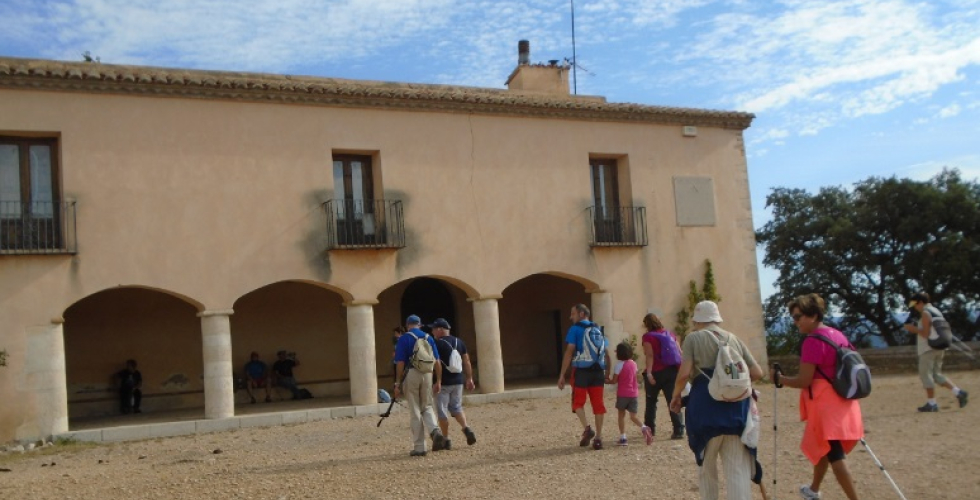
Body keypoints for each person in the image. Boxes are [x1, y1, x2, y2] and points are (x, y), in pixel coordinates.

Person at [669, 301, 763, 500]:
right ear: (717, 318)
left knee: (707, 468)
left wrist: (676, 396)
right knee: (737, 468)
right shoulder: (734, 339)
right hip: (737, 409)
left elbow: (684, 374)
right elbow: (756, 372)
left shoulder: (693, 338)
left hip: (706, 408)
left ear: (697, 320)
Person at [772, 293, 863, 500]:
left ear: (812, 316)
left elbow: (805, 380)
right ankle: (813, 490)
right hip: (845, 400)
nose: (795, 322)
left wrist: (780, 379)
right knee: (826, 447)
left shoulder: (812, 341)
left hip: (825, 404)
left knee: (835, 454)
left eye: (798, 317)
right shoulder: (838, 335)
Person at [557, 303, 611, 450]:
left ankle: (587, 428)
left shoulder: (575, 329)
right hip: (598, 371)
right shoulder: (598, 329)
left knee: (577, 403)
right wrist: (607, 373)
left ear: (581, 314)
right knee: (598, 404)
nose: (570, 317)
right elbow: (606, 353)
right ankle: (599, 438)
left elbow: (569, 352)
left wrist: (562, 374)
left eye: (573, 314)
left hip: (582, 371)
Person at [904, 292, 969, 412]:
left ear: (921, 302)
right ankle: (958, 392)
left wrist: (912, 329)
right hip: (940, 347)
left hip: (928, 349)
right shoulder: (936, 311)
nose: (915, 307)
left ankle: (932, 403)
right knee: (937, 375)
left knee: (926, 375)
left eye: (916, 304)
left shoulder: (925, 313)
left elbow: (925, 333)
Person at [393, 314, 447, 457]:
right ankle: (435, 430)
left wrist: (397, 383)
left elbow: (400, 362)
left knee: (415, 409)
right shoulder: (428, 338)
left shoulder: (404, 338)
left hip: (411, 373)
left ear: (407, 325)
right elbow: (437, 361)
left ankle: (419, 447)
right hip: (427, 373)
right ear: (420, 324)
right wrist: (439, 380)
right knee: (427, 405)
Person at [431, 318, 478, 449]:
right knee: (457, 407)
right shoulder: (460, 342)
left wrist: (438, 381)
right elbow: (466, 361)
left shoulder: (437, 344)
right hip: (458, 381)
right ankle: (466, 427)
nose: (433, 331)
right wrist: (469, 378)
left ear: (440, 329)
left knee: (442, 411)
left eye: (434, 328)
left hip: (444, 383)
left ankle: (446, 439)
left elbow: (437, 363)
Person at [641, 313, 684, 440]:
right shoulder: (670, 334)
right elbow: (680, 352)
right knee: (672, 399)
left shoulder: (648, 337)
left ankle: (650, 429)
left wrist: (649, 373)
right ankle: (679, 429)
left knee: (651, 401)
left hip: (656, 371)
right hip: (671, 371)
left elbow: (649, 355)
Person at [606, 342, 651, 446]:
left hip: (622, 394)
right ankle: (644, 427)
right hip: (633, 393)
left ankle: (623, 437)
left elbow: (614, 381)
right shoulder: (633, 364)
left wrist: (607, 380)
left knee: (621, 415)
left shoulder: (619, 365)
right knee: (633, 416)